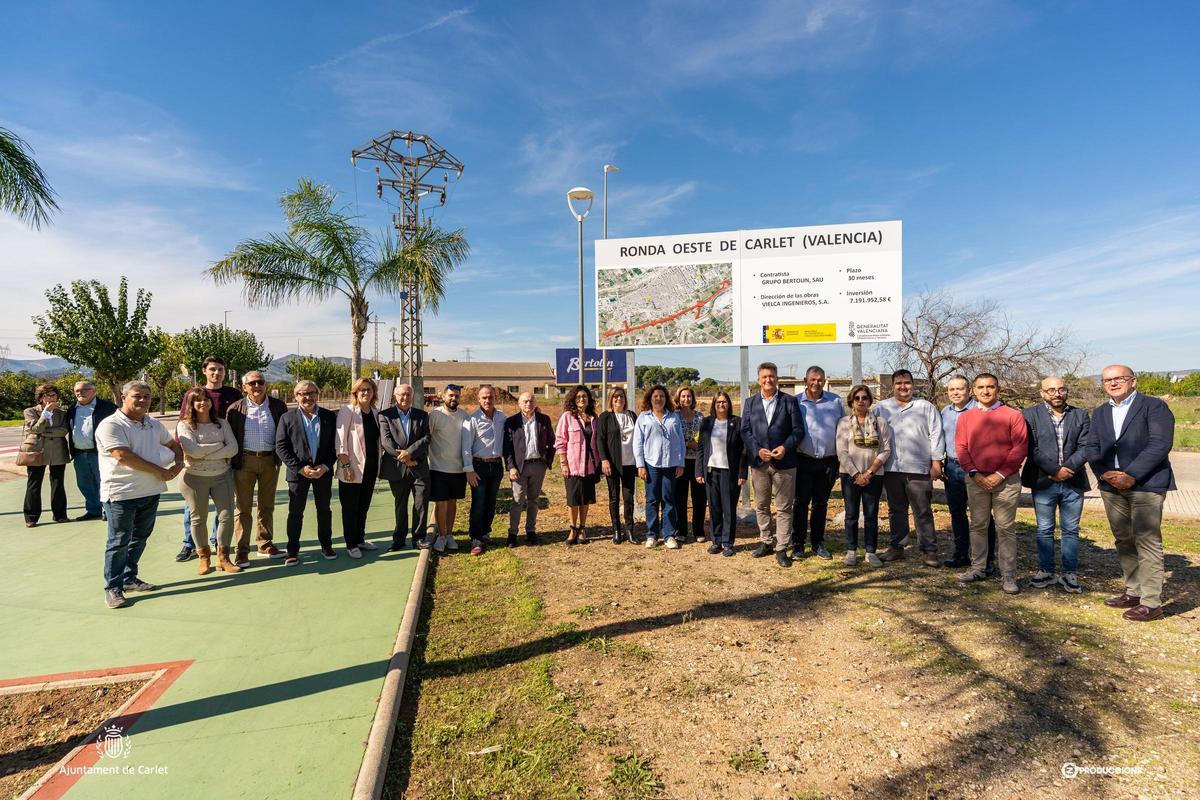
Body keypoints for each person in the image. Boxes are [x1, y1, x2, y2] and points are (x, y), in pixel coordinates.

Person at [1085, 365, 1175, 622]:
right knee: (1124, 539)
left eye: (1119, 379)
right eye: (1107, 380)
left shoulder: (1154, 407)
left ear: (1132, 381)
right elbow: (1092, 446)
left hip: (1145, 484)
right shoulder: (1101, 412)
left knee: (1147, 541)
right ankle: (1133, 591)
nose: (1113, 384)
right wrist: (1104, 473)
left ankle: (1151, 602)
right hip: (1110, 486)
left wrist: (1131, 474)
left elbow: (1160, 444)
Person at [96, 381, 184, 608]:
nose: (143, 400)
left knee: (140, 538)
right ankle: (112, 588)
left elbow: (174, 445)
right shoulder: (111, 425)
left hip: (150, 491)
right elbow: (122, 455)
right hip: (121, 494)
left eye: (147, 396)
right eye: (137, 396)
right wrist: (161, 471)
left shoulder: (153, 424)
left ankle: (128, 578)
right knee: (118, 541)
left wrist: (178, 463)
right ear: (123, 397)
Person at [954, 373, 1028, 594]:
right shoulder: (966, 417)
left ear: (998, 389)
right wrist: (975, 473)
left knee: (1005, 528)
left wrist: (1000, 474)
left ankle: (1008, 575)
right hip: (976, 480)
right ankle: (978, 568)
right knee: (978, 525)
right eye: (981, 387)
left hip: (1006, 481)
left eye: (990, 387)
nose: (985, 391)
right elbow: (961, 447)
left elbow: (1020, 448)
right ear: (973, 391)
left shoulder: (1013, 415)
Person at [1022, 376, 1091, 593]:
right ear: (1042, 393)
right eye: (1051, 390)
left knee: (1071, 529)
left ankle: (1069, 574)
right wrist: (1054, 471)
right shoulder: (1029, 415)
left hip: (1074, 480)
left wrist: (1067, 469)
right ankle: (1046, 571)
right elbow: (1031, 448)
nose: (1057, 394)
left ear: (1067, 391)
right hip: (1043, 481)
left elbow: (1087, 446)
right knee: (1044, 529)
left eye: (1061, 389)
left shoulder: (1080, 415)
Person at [175, 356, 244, 562]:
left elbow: (235, 430)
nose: (216, 373)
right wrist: (188, 452)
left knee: (224, 510)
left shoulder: (233, 394)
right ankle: (191, 545)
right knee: (194, 510)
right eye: (212, 369)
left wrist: (226, 451)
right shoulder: (193, 394)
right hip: (197, 466)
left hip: (223, 463)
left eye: (220, 369)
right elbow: (182, 426)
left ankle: (218, 544)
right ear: (204, 371)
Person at [875, 369, 945, 566]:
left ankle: (929, 551)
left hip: (919, 469)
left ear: (913, 385)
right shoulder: (882, 408)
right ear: (892, 386)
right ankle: (897, 547)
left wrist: (936, 462)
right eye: (898, 383)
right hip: (891, 468)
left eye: (907, 383)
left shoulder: (925, 407)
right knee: (895, 509)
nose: (903, 387)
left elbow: (936, 435)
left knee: (922, 510)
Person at [741, 362, 805, 568]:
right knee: (761, 504)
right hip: (759, 463)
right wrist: (757, 449)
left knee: (785, 507)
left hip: (784, 463)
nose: (768, 380)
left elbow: (798, 431)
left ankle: (782, 547)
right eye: (764, 377)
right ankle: (766, 541)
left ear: (777, 378)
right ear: (758, 379)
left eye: (771, 376)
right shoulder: (750, 403)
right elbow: (745, 431)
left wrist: (785, 448)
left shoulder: (790, 401)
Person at [225, 370, 288, 566]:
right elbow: (229, 436)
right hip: (244, 462)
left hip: (270, 461)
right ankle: (242, 550)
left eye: (260, 382)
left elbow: (285, 433)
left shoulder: (278, 406)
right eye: (251, 383)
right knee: (243, 508)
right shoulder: (235, 409)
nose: (256, 386)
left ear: (265, 384)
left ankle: (264, 543)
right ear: (244, 387)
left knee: (266, 505)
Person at [275, 380, 338, 566]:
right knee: (295, 512)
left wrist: (325, 466)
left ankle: (326, 545)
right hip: (298, 474)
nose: (307, 397)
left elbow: (336, 445)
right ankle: (292, 550)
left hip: (322, 473)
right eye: (303, 393)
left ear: (317, 395)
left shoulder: (329, 417)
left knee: (324, 510)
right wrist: (300, 468)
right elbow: (281, 447)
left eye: (311, 393)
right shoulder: (287, 418)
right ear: (296, 396)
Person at [940, 376, 995, 572]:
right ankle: (961, 554)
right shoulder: (945, 412)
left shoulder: (979, 410)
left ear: (969, 391)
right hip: (953, 468)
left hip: (976, 468)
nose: (955, 393)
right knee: (957, 512)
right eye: (951, 389)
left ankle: (987, 558)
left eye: (960, 389)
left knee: (981, 515)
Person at [835, 385, 893, 567]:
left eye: (865, 398)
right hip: (850, 475)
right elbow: (842, 452)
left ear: (870, 400)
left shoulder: (880, 422)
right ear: (851, 401)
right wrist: (856, 474)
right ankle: (851, 551)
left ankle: (870, 551)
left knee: (871, 514)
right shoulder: (844, 423)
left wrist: (868, 473)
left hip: (873, 475)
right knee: (851, 514)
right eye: (857, 398)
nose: (861, 401)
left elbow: (885, 450)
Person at [793, 366, 842, 560]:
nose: (816, 383)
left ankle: (818, 543)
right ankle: (797, 544)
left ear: (825, 380)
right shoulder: (796, 402)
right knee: (800, 503)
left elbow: (842, 430)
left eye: (820, 379)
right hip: (803, 460)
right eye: (812, 379)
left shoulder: (835, 401)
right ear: (806, 380)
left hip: (828, 462)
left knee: (821, 503)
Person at [379, 383, 431, 551]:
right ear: (395, 395)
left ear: (412, 396)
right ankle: (399, 539)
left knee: (421, 503)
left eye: (408, 395)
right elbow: (386, 442)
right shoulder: (385, 415)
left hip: (419, 467)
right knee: (400, 504)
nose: (405, 398)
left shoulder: (422, 415)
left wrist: (410, 453)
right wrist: (405, 459)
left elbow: (426, 438)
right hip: (397, 468)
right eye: (402, 394)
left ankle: (419, 538)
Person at [695, 391, 747, 557]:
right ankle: (716, 541)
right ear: (714, 405)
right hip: (711, 472)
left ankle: (728, 543)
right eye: (718, 402)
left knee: (729, 509)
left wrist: (742, 472)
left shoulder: (736, 422)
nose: (721, 405)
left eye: (724, 402)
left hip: (730, 473)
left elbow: (744, 451)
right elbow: (701, 448)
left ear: (729, 404)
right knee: (715, 508)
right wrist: (699, 471)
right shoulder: (707, 422)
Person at [633, 384, 684, 548]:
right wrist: (640, 464)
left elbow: (680, 442)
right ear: (650, 398)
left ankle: (669, 535)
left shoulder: (673, 417)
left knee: (669, 500)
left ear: (666, 399)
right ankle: (652, 535)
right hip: (651, 464)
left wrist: (680, 463)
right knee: (652, 500)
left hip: (670, 464)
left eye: (662, 396)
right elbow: (637, 443)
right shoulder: (643, 417)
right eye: (655, 396)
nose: (659, 399)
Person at [336, 377, 382, 559]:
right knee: (350, 508)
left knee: (363, 506)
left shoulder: (377, 413)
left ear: (373, 393)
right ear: (355, 392)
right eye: (362, 390)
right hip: (352, 469)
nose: (365, 393)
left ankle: (360, 539)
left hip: (370, 469)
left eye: (369, 390)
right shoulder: (348, 411)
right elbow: (340, 443)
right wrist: (346, 466)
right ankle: (351, 544)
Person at [503, 391, 555, 547]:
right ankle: (513, 533)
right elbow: (507, 448)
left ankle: (531, 531)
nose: (528, 404)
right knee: (517, 500)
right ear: (519, 404)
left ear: (535, 403)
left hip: (538, 465)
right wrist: (511, 467)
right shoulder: (512, 422)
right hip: (520, 467)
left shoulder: (544, 420)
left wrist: (547, 461)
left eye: (531, 401)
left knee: (533, 500)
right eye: (525, 401)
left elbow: (552, 441)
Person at [461, 385, 507, 555]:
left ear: (495, 398)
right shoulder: (472, 420)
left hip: (496, 465)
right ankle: (475, 538)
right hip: (478, 466)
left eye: (491, 397)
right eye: (484, 398)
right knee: (478, 502)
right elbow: (466, 447)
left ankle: (485, 532)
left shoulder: (502, 417)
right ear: (478, 399)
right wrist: (469, 469)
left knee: (491, 502)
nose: (488, 400)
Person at [64, 380, 116, 521]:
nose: (80, 393)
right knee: (85, 484)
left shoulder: (107, 407)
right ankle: (93, 510)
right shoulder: (72, 409)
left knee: (104, 482)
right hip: (79, 453)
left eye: (84, 390)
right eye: (77, 391)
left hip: (100, 453)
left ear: (94, 391)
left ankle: (108, 511)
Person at [21, 383, 71, 527]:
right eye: (47, 395)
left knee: (58, 483)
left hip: (57, 450)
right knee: (34, 483)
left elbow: (63, 431)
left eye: (53, 395)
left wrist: (42, 432)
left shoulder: (62, 413)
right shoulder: (30, 411)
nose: (51, 398)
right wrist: (45, 414)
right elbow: (35, 427)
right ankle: (31, 517)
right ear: (40, 397)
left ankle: (60, 515)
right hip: (36, 450)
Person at [556, 385, 601, 545]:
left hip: (590, 465)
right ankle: (572, 528)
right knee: (573, 498)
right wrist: (564, 463)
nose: (582, 399)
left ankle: (582, 527)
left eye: (584, 396)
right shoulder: (567, 417)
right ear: (574, 400)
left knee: (585, 498)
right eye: (578, 397)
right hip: (573, 465)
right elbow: (561, 441)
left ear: (589, 399)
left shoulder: (594, 419)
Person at [427, 384, 470, 554]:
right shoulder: (435, 415)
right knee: (441, 502)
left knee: (452, 502)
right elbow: (427, 439)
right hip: (438, 467)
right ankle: (442, 536)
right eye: (451, 395)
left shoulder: (464, 416)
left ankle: (450, 534)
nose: (454, 398)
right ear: (443, 396)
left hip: (458, 468)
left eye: (457, 396)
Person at [597, 386, 639, 544]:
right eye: (615, 397)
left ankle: (629, 530)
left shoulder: (632, 415)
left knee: (628, 499)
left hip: (630, 463)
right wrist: (604, 460)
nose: (618, 400)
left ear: (625, 399)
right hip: (613, 464)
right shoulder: (605, 417)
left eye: (621, 396)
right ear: (611, 400)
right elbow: (599, 440)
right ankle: (616, 530)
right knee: (614, 498)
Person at [673, 386, 706, 544]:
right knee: (680, 498)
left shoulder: (700, 417)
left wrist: (697, 445)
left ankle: (698, 530)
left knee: (699, 498)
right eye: (683, 396)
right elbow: (672, 438)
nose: (686, 399)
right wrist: (688, 444)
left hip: (697, 462)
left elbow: (705, 438)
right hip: (680, 462)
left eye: (689, 396)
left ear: (693, 399)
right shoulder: (674, 416)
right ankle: (681, 530)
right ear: (678, 399)